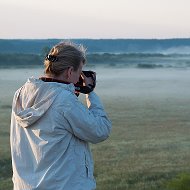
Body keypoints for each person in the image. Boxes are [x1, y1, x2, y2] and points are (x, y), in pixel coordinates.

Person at [10, 41, 112, 190]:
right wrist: (90, 92)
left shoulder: (20, 93)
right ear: (70, 71)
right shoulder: (64, 101)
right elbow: (100, 130)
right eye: (79, 72)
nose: (79, 78)